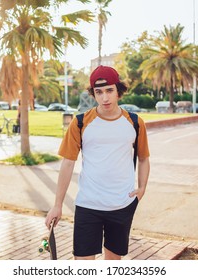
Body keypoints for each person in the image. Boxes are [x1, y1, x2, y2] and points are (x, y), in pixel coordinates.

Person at [45, 65, 150, 260]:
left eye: (109, 90)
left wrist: (142, 188)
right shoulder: (80, 123)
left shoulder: (135, 122)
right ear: (93, 94)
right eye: (98, 92)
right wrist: (57, 205)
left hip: (122, 205)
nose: (105, 98)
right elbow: (67, 164)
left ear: (118, 90)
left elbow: (143, 158)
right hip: (88, 205)